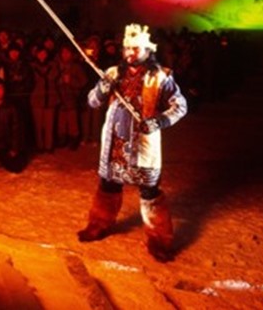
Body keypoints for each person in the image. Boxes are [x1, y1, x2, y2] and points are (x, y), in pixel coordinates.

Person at [77, 23, 188, 263]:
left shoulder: (161, 77)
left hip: (143, 147)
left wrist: (159, 121)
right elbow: (92, 101)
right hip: (114, 143)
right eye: (127, 48)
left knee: (150, 192)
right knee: (108, 186)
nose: (130, 53)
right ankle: (99, 224)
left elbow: (180, 106)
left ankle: (159, 239)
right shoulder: (112, 73)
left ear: (148, 50)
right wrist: (102, 88)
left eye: (136, 48)